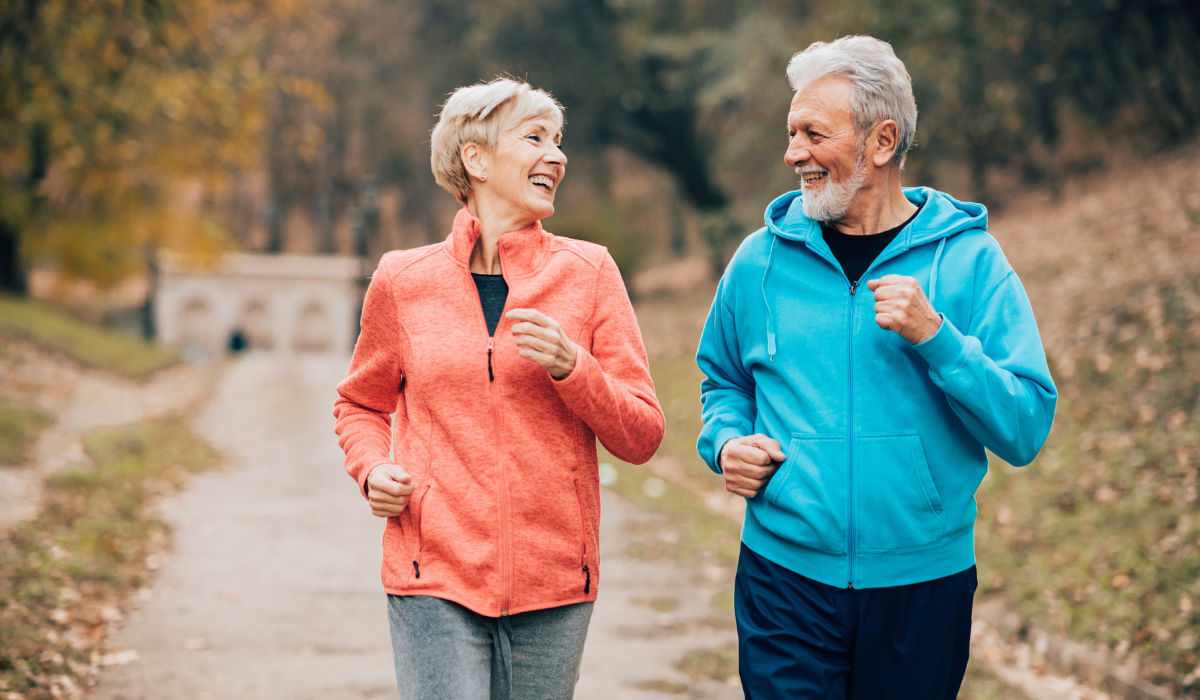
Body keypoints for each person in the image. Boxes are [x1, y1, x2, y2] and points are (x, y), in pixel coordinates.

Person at [695, 36, 1057, 699]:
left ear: (881, 143)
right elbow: (723, 381)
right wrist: (725, 442)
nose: (792, 153)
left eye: (813, 133)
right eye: (790, 132)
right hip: (784, 578)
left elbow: (1026, 425)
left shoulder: (970, 263)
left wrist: (938, 339)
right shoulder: (758, 261)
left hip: (923, 585)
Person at [333, 78, 664, 700]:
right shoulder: (404, 280)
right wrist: (373, 468)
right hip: (432, 570)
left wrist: (574, 369)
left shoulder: (589, 274)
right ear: (476, 159)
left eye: (559, 141)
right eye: (535, 137)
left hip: (555, 582)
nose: (558, 156)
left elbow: (642, 434)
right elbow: (361, 402)